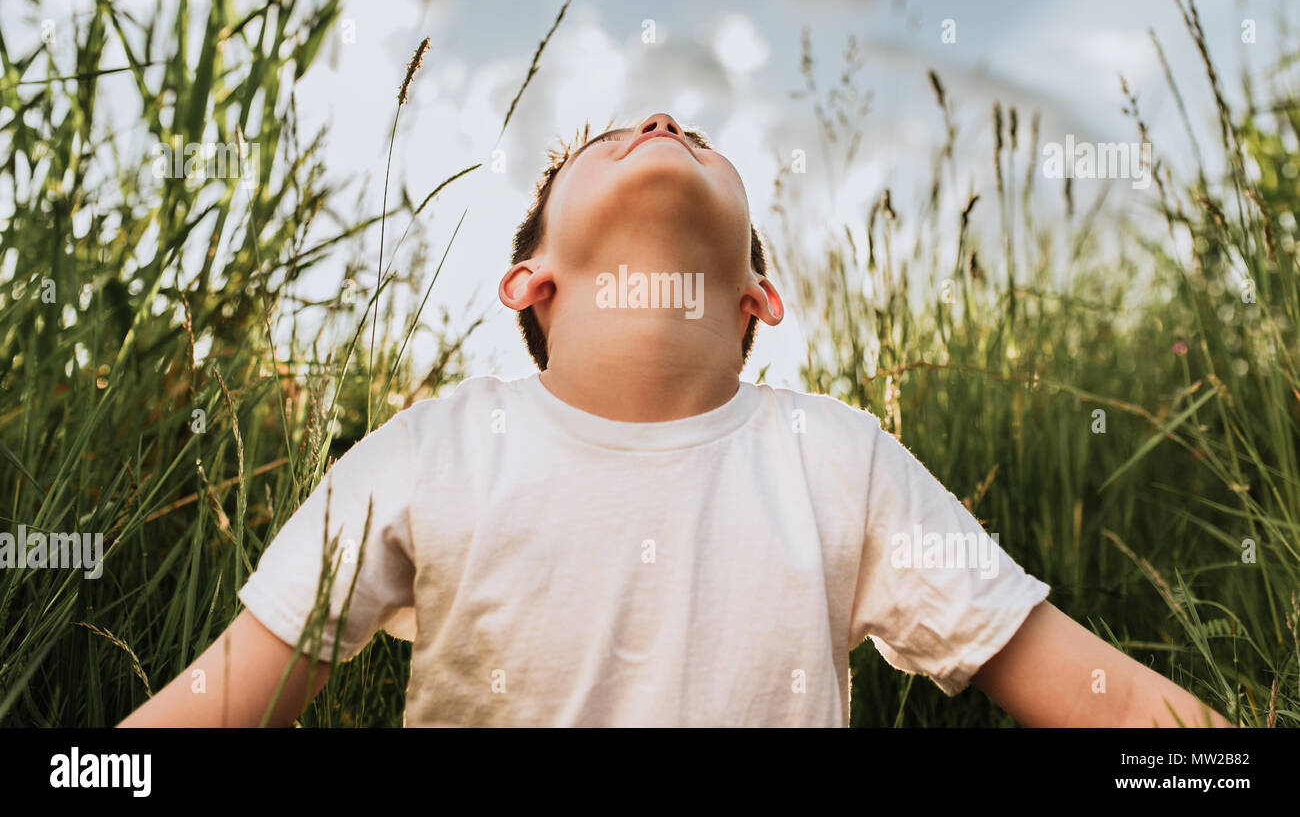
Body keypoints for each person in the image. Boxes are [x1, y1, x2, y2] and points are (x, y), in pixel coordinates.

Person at [119, 112, 1231, 728]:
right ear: (529, 280)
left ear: (759, 298)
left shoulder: (838, 459)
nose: (658, 120)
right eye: (602, 140)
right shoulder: (426, 453)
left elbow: (1107, 698)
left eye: (693, 133)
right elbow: (212, 710)